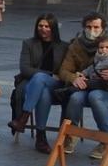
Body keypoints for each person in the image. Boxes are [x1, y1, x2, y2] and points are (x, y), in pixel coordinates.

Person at [57, 13, 108, 160]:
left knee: (95, 97)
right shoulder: (76, 44)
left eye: (96, 27)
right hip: (87, 85)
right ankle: (72, 135)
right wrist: (74, 77)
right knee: (75, 97)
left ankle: (105, 139)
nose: (92, 30)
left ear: (103, 28)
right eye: (88, 27)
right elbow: (64, 70)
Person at [7, 13, 68, 154]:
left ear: (53, 28)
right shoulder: (28, 43)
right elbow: (25, 68)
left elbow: (66, 69)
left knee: (41, 79)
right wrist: (47, 74)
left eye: (47, 26)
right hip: (34, 84)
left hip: (56, 84)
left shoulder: (64, 46)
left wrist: (51, 76)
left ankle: (23, 119)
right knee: (43, 91)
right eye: (40, 26)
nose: (43, 29)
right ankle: (41, 137)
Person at [53, 35, 108, 101]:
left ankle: (66, 92)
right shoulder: (99, 58)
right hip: (96, 81)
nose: (104, 49)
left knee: (87, 84)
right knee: (85, 83)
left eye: (107, 47)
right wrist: (83, 73)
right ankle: (66, 91)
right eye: (101, 47)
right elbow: (92, 68)